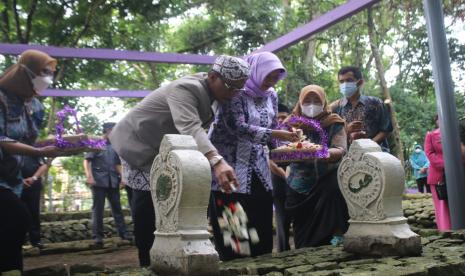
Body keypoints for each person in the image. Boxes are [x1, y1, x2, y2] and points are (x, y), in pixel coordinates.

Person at [110, 55, 251, 267]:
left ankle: (232, 259)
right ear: (213, 77)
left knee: (182, 206)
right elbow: (191, 127)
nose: (234, 94)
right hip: (139, 147)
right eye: (231, 87)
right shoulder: (186, 88)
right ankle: (148, 263)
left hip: (181, 153)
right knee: (150, 207)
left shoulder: (221, 96)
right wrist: (217, 160)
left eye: (238, 89)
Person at [208, 51, 299, 260]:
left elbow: (273, 127)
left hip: (258, 169)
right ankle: (236, 269)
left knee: (262, 224)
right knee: (236, 233)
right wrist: (275, 133)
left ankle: (263, 266)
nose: (271, 81)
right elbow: (236, 127)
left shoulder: (272, 95)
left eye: (276, 77)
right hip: (229, 169)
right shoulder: (236, 92)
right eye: (268, 75)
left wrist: (291, 142)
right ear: (255, 71)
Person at [0, 50, 67, 273]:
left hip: (11, 178)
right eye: (44, 72)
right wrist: (34, 151)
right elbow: (2, 139)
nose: (49, 78)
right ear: (25, 72)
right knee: (18, 218)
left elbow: (33, 141)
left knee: (12, 230)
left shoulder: (35, 106)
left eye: (51, 73)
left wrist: (67, 142)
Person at [285, 85, 349, 248]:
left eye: (316, 100)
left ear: (324, 102)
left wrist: (321, 152)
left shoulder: (334, 122)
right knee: (302, 234)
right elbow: (278, 149)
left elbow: (341, 149)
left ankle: (333, 251)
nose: (311, 104)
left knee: (331, 229)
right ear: (300, 102)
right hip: (298, 187)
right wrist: (292, 151)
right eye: (307, 101)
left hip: (327, 185)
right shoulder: (290, 123)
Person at [84, 122, 131, 246]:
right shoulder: (95, 143)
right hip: (98, 181)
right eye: (114, 130)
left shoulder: (114, 146)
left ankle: (123, 234)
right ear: (108, 131)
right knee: (98, 210)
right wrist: (89, 176)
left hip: (113, 182)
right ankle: (97, 237)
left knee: (117, 209)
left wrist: (123, 178)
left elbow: (117, 164)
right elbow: (87, 161)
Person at [330, 66, 392, 151]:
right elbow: (332, 135)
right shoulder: (336, 107)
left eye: (349, 80)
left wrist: (369, 145)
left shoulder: (375, 103)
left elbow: (386, 129)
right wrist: (346, 130)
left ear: (360, 82)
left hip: (377, 153)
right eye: (341, 81)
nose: (345, 84)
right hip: (348, 156)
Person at [269, 103, 292, 252]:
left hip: (296, 177)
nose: (281, 121)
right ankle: (283, 250)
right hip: (278, 179)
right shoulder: (270, 135)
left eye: (284, 118)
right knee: (281, 217)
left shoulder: (295, 133)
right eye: (278, 118)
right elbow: (269, 159)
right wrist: (285, 175)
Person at [424, 114, 451, 231]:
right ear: (437, 122)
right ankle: (446, 231)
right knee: (442, 206)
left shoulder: (458, 133)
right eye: (439, 119)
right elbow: (429, 153)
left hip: (459, 174)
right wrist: (446, 165)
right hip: (439, 176)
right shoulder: (431, 135)